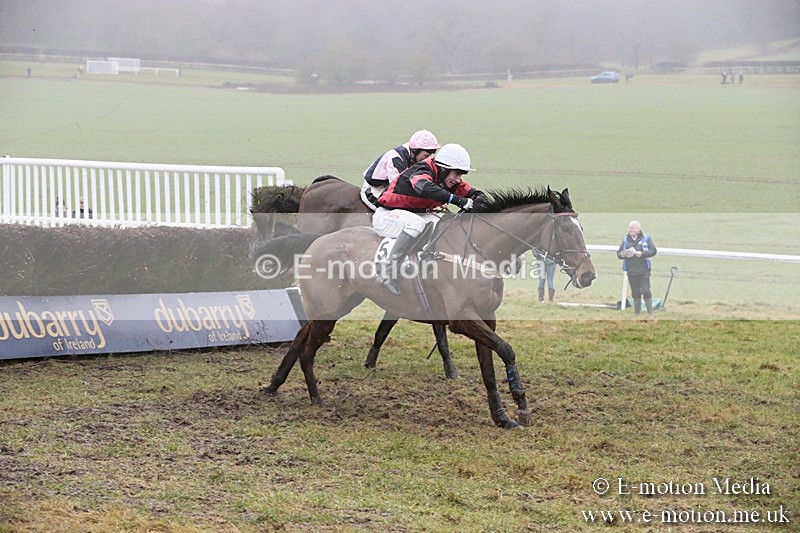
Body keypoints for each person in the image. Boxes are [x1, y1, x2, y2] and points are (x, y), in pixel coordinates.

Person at [372, 143, 486, 294]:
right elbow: (423, 186)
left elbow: (473, 193)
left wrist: (481, 201)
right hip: (387, 215)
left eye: (461, 175)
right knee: (416, 224)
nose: (458, 179)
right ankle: (386, 272)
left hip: (409, 214)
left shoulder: (448, 180)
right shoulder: (423, 169)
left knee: (440, 223)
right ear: (444, 169)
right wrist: (458, 201)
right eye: (457, 174)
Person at [360, 130, 440, 211]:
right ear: (416, 151)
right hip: (374, 190)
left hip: (388, 186)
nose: (427, 159)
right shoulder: (396, 159)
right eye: (426, 155)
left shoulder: (412, 153)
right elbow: (398, 190)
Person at [617, 220, 657, 317]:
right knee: (635, 292)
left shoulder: (646, 239)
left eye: (632, 228)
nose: (630, 230)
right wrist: (623, 254)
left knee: (646, 291)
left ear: (638, 229)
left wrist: (642, 254)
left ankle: (650, 313)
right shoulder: (626, 240)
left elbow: (653, 251)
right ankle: (637, 313)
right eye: (629, 228)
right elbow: (619, 253)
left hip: (644, 270)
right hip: (631, 271)